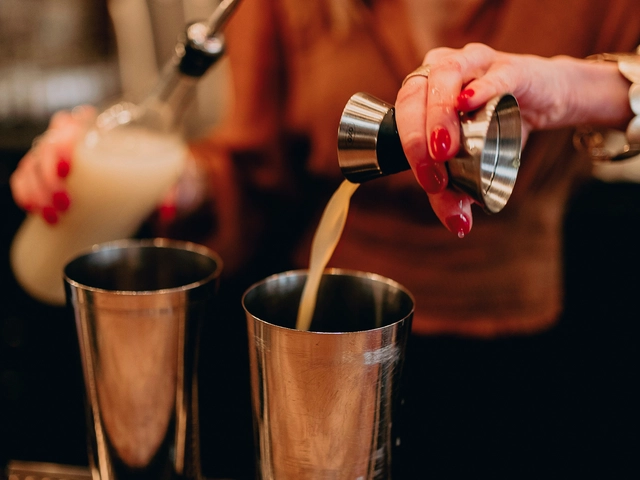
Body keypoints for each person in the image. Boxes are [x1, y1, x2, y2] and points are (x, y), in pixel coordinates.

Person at [8, 0, 640, 478]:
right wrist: (172, 177)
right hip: (316, 349)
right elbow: (255, 168)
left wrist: (573, 90)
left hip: (516, 360)